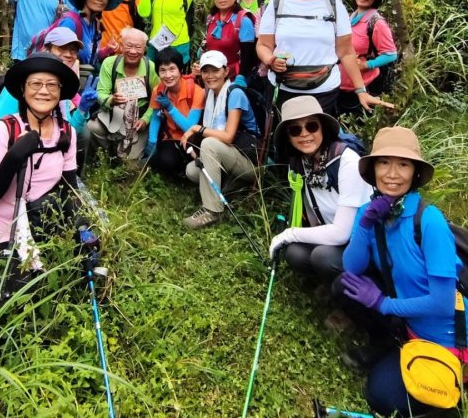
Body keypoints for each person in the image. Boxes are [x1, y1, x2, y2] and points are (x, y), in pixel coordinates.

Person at [339, 126, 466, 416]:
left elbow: (442, 302)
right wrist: (365, 224)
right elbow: (351, 266)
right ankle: (390, 345)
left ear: (415, 173)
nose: (392, 173)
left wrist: (382, 304)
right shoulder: (369, 211)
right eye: (384, 162)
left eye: (403, 164)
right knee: (344, 284)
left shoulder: (429, 221)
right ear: (373, 169)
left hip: (449, 337)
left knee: (381, 396)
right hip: (411, 327)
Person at [0, 52, 80, 278]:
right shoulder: (3, 130)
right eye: (36, 83)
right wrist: (14, 156)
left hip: (35, 225)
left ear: (60, 91)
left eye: (52, 85)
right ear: (23, 89)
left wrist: (81, 226)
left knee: (58, 282)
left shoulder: (67, 133)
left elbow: (69, 188)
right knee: (10, 291)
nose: (44, 91)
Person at [256, 0, 390, 116]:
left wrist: (361, 90)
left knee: (320, 137)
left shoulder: (334, 5)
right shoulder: (277, 5)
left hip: (324, 90)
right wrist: (271, 60)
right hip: (283, 88)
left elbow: (346, 52)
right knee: (286, 138)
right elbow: (263, 45)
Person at [268, 96, 372, 282]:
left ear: (323, 127)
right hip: (333, 235)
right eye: (295, 129)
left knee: (322, 256)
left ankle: (358, 292)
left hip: (361, 243)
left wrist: (290, 233)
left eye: (312, 126)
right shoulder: (300, 164)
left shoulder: (347, 161)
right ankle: (327, 288)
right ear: (288, 137)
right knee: (295, 252)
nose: (305, 134)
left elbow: (341, 233)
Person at [181, 51, 260, 229]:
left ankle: (212, 211)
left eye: (215, 70)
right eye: (205, 71)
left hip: (250, 161)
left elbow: (228, 136)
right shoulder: (211, 94)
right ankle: (231, 186)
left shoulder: (234, 94)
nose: (210, 76)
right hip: (229, 155)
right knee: (191, 171)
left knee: (208, 144)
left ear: (226, 71)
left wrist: (196, 128)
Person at [87, 28, 159, 160]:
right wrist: (111, 100)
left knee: (130, 160)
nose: (133, 51)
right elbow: (101, 93)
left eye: (138, 47)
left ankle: (122, 156)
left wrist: (146, 119)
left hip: (139, 119)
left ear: (144, 49)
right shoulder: (110, 63)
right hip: (114, 114)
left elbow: (157, 98)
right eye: (129, 46)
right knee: (93, 127)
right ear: (121, 45)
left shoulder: (151, 68)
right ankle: (108, 155)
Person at [338, 0, 398, 115]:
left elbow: (391, 54)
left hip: (363, 87)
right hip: (342, 86)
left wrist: (366, 65)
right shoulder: (351, 17)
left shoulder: (376, 22)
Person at [144, 47, 205, 175]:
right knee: (164, 160)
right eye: (163, 70)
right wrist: (152, 141)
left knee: (167, 162)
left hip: (191, 138)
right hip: (171, 137)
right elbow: (155, 117)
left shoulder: (196, 91)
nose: (168, 75)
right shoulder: (159, 90)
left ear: (180, 69)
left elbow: (190, 127)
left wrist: (170, 108)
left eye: (172, 69)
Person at [196, 0, 257, 80]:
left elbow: (248, 55)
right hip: (212, 77)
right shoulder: (211, 18)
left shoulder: (243, 20)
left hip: (234, 77)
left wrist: (241, 78)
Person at [63, 0, 123, 68]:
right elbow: (58, 59)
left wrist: (107, 50)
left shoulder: (95, 23)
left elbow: (89, 57)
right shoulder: (70, 23)